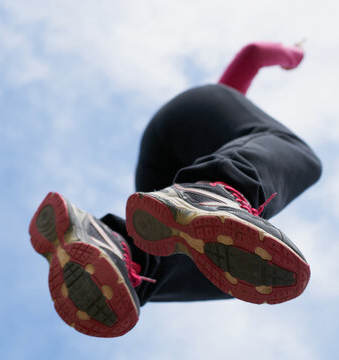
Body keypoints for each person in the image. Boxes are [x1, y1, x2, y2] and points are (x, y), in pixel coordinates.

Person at [29, 42, 322, 338]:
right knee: (300, 156)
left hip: (158, 174)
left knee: (213, 272)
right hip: (196, 112)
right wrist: (293, 55)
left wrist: (288, 59)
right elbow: (253, 53)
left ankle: (121, 253)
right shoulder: (226, 106)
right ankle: (220, 192)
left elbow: (253, 53)